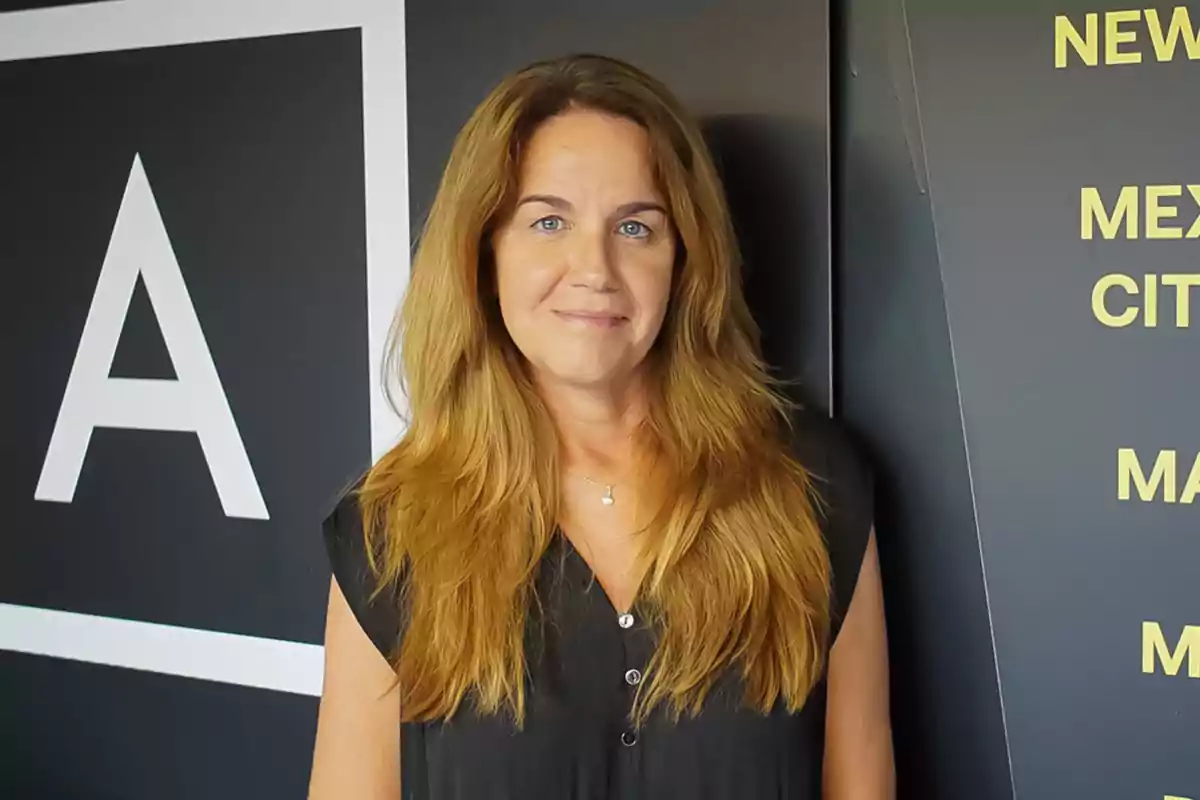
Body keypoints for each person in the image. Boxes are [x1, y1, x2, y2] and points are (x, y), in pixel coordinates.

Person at [308, 53, 893, 799]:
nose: (596, 268)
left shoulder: (815, 489)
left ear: (685, 259)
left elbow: (864, 781)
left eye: (636, 227)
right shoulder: (389, 534)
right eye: (548, 221)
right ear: (483, 251)